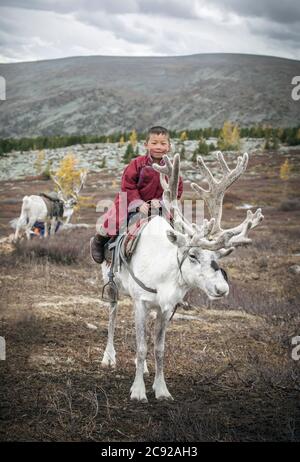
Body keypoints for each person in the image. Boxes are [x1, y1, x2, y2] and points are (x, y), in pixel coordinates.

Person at [90, 126, 183, 264]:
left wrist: (162, 202)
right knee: (115, 220)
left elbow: (177, 190)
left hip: (159, 205)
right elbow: (127, 185)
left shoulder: (172, 169)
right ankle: (99, 240)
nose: (158, 147)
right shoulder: (137, 164)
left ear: (169, 146)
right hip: (130, 200)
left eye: (163, 143)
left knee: (177, 227)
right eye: (154, 143)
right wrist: (138, 204)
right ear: (146, 145)